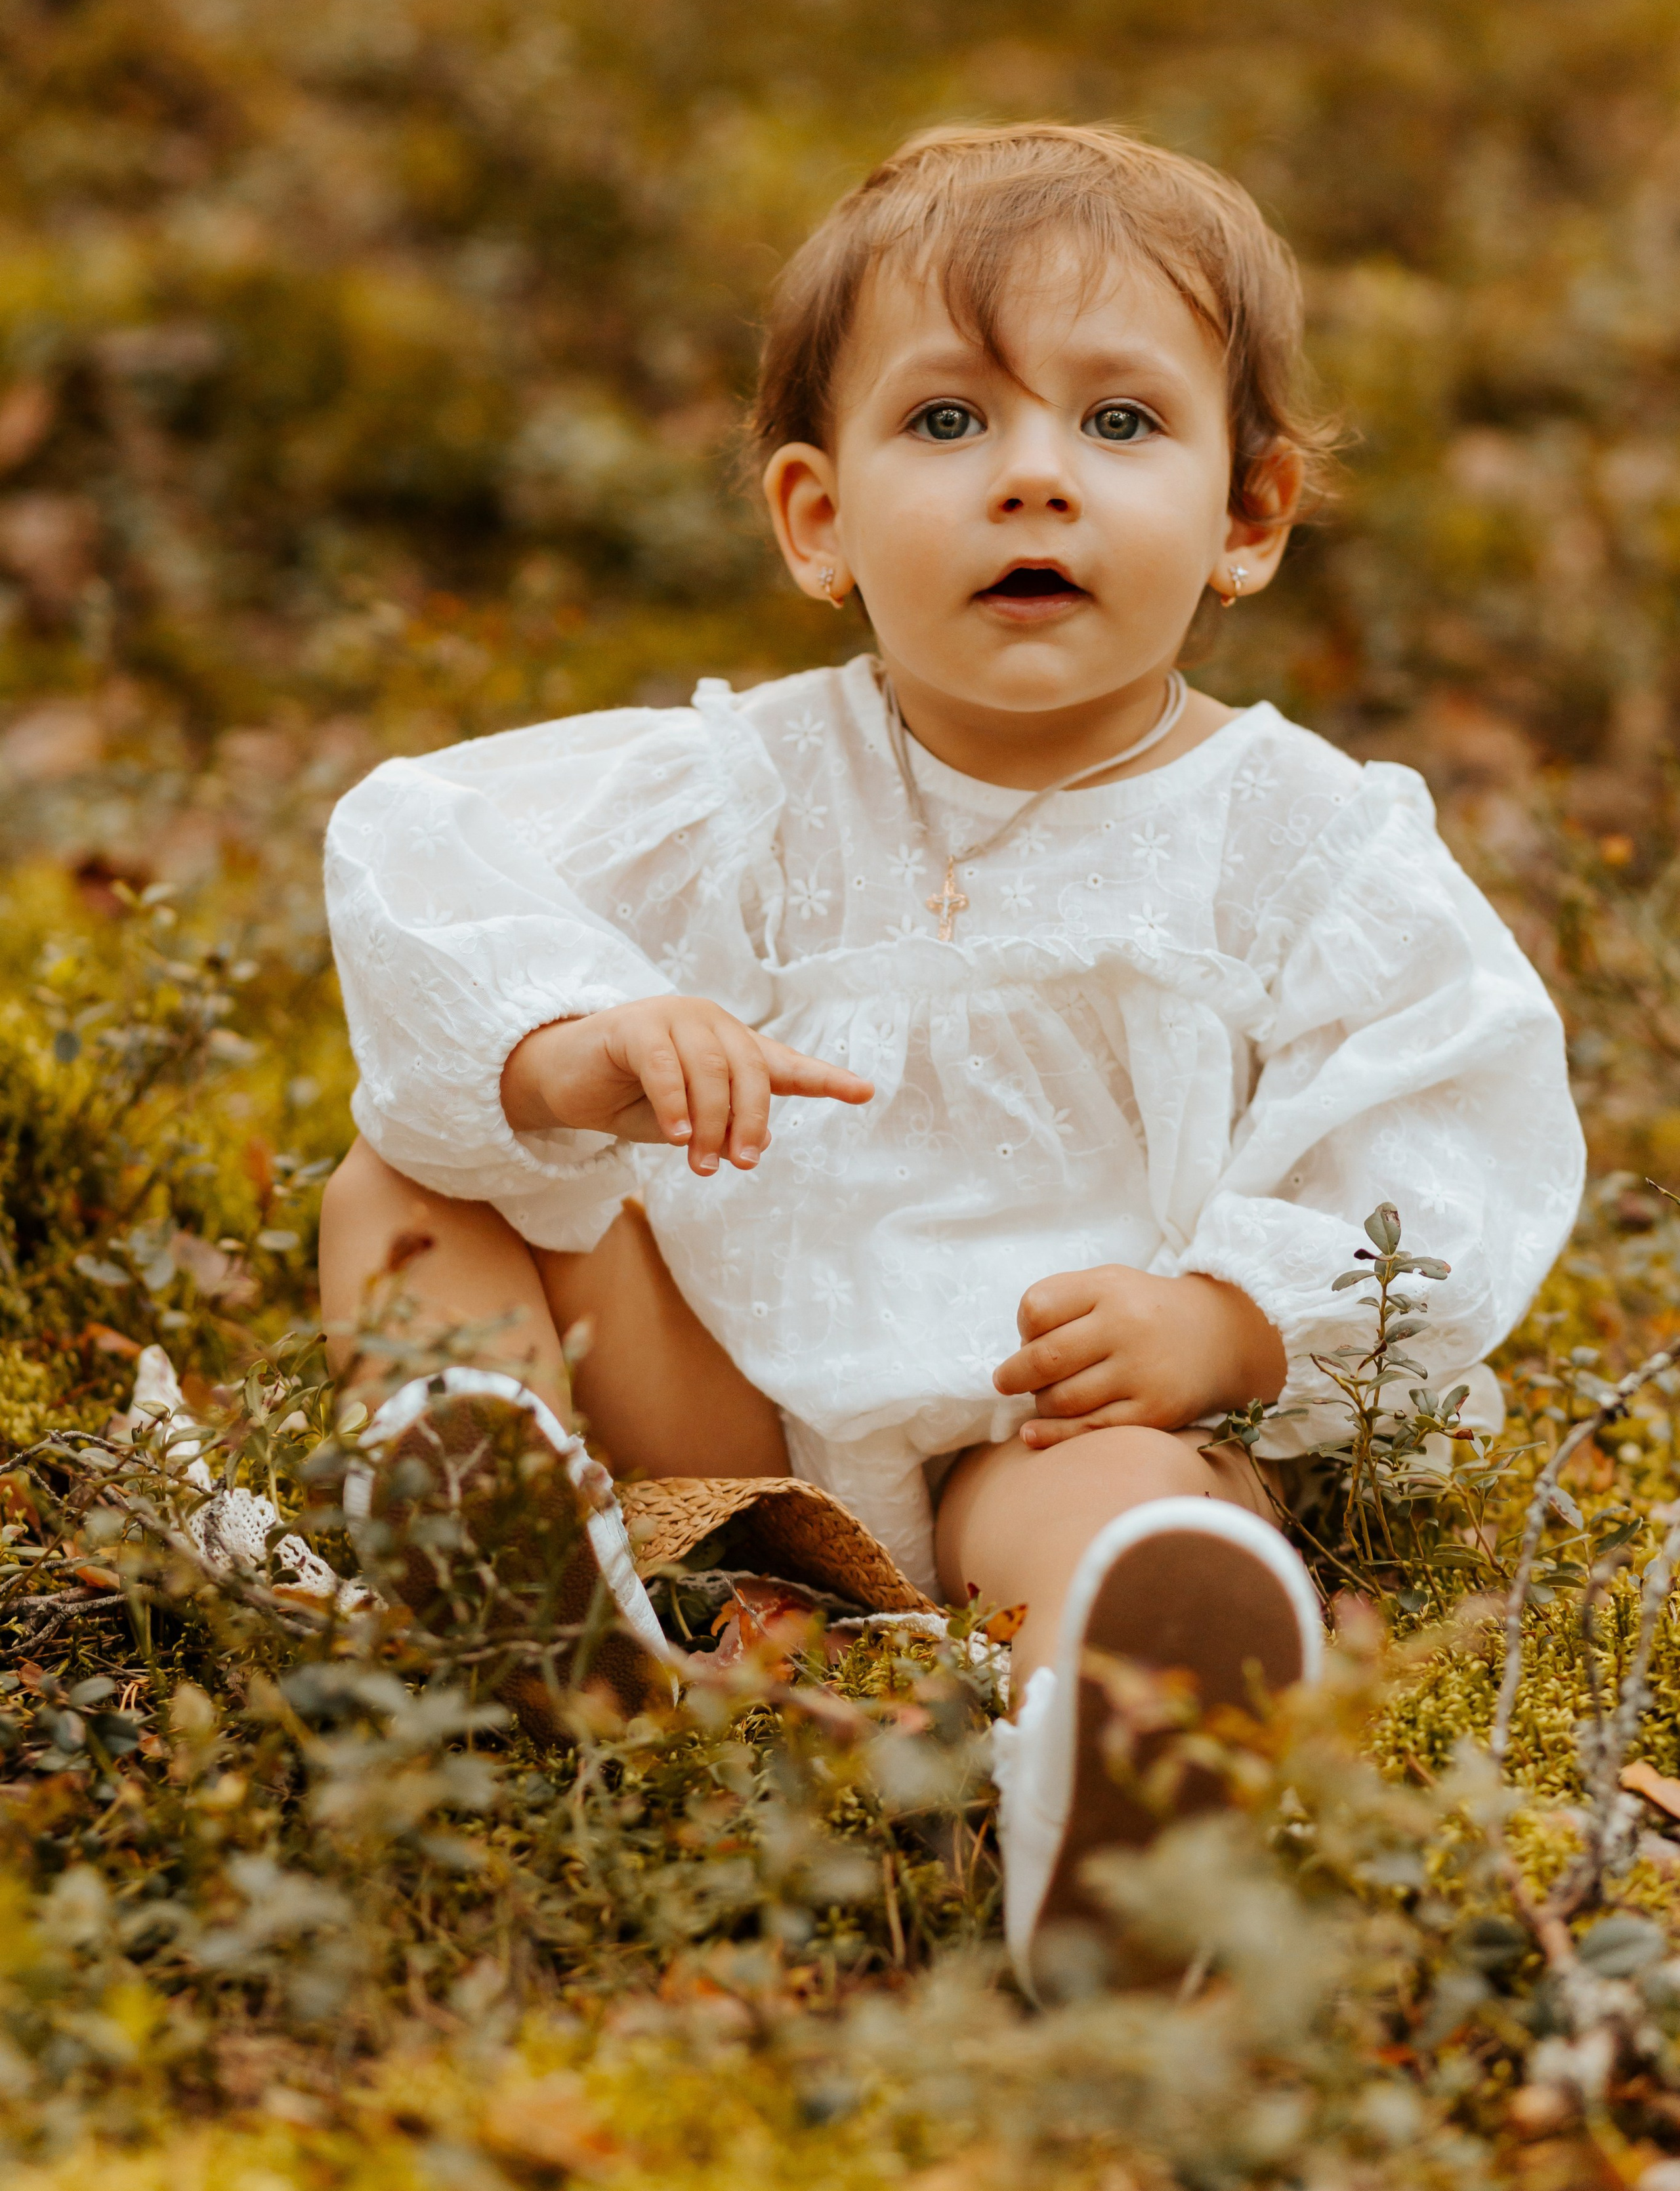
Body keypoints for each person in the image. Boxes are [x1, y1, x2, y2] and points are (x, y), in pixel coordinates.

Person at [317, 122, 1584, 1990]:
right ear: (817, 520)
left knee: (1135, 1518)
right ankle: (514, 1568)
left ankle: (1126, 1784)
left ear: (1249, 516)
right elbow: (423, 860)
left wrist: (1234, 1323)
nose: (1034, 478)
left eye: (1121, 423)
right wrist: (579, 1045)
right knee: (414, 1173)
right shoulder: (738, 786)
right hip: (718, 1418)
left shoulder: (1303, 841)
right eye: (947, 421)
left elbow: (1445, 1112)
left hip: (1049, 1406)